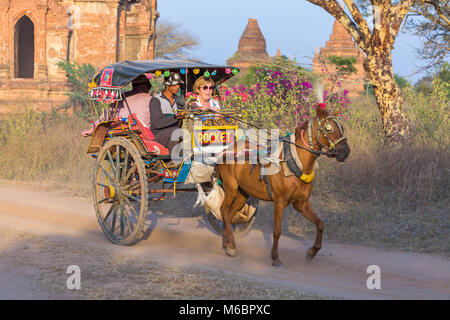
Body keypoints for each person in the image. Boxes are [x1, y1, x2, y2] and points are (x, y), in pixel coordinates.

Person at [81, 75, 152, 137]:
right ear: (147, 85)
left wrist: (92, 130)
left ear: (133, 86)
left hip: (120, 132)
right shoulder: (151, 99)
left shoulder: (121, 97)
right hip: (143, 134)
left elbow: (106, 116)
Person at [149, 72, 185, 153]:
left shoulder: (179, 100)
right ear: (167, 85)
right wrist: (175, 117)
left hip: (176, 131)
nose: (177, 87)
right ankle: (176, 160)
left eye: (178, 84)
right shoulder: (156, 100)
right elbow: (157, 123)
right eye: (174, 84)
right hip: (158, 134)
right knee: (175, 132)